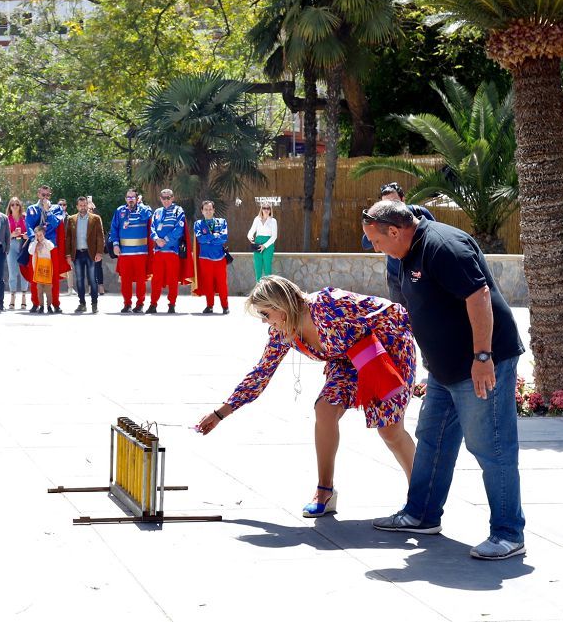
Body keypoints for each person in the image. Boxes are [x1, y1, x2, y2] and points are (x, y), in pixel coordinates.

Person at [363, 200, 527, 560]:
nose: (374, 248)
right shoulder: (406, 253)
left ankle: (508, 532)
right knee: (432, 440)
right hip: (444, 370)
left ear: (394, 231)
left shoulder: (443, 246)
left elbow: (479, 295)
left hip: (481, 364)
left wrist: (483, 357)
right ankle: (421, 514)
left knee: (492, 447)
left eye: (375, 241)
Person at [196, 276, 418, 518]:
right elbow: (261, 374)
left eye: (265, 314)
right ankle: (325, 491)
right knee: (325, 408)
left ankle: (420, 498)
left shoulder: (329, 304)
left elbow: (395, 311)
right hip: (345, 361)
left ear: (280, 307)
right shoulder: (282, 332)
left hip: (385, 352)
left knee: (389, 430)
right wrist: (220, 414)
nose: (264, 322)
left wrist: (418, 363)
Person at [362, 182, 434, 306]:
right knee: (399, 316)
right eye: (386, 204)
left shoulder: (419, 213)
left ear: (403, 200)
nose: (391, 207)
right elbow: (365, 243)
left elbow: (434, 237)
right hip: (395, 277)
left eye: (394, 201)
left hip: (419, 275)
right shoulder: (379, 223)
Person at [109, 188, 154, 312]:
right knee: (125, 280)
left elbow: (148, 216)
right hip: (124, 252)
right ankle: (127, 303)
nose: (130, 200)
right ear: (125, 199)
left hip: (141, 252)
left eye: (132, 197)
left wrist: (140, 205)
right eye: (128, 197)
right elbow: (114, 229)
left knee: (141, 280)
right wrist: (115, 245)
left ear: (137, 198)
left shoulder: (144, 210)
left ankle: (140, 304)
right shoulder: (120, 211)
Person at [24, 185, 68, 312]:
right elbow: (29, 226)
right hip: (37, 246)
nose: (45, 198)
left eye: (48, 195)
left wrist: (48, 211)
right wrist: (35, 240)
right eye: (43, 195)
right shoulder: (32, 209)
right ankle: (36, 303)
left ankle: (54, 303)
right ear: (38, 194)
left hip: (50, 246)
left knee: (53, 275)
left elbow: (56, 224)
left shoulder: (56, 208)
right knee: (34, 275)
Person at [64, 195, 105, 314]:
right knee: (80, 280)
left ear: (88, 205)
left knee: (92, 279)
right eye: (80, 205)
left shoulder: (95, 218)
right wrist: (68, 254)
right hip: (77, 254)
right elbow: (68, 238)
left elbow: (100, 237)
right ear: (77, 206)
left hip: (91, 253)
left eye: (85, 205)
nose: (83, 207)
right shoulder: (71, 219)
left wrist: (99, 252)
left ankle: (94, 304)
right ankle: (82, 303)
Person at [148, 188, 187, 314]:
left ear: (173, 198)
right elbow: (152, 228)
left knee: (172, 279)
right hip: (158, 252)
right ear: (160, 198)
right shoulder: (157, 212)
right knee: (156, 280)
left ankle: (172, 304)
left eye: (168, 197)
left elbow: (179, 229)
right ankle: (153, 304)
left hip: (172, 251)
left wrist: (164, 239)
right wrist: (156, 238)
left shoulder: (178, 211)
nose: (166, 200)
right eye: (163, 198)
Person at [193, 200, 230, 314]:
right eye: (206, 209)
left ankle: (225, 306)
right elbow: (200, 239)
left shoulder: (222, 222)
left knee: (222, 283)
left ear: (214, 210)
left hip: (220, 258)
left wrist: (208, 239)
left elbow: (224, 238)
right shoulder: (198, 224)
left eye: (210, 209)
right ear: (202, 211)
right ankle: (209, 306)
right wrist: (214, 236)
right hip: (205, 258)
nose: (208, 212)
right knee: (208, 283)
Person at [5, 196, 29, 310]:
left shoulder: (25, 217)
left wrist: (26, 235)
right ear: (9, 206)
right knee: (12, 272)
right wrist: (11, 235)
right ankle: (12, 297)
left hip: (23, 245)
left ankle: (24, 296)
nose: (14, 206)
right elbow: (3, 236)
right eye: (12, 204)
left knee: (24, 271)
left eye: (17, 204)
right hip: (12, 244)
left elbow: (31, 232)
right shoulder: (6, 219)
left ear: (20, 206)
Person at [247, 203, 278, 281]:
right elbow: (251, 231)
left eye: (268, 208)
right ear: (261, 209)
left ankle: (268, 291)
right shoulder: (257, 219)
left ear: (270, 210)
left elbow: (274, 236)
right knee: (258, 268)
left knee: (267, 268)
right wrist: (250, 237)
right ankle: (259, 290)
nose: (266, 210)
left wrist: (264, 246)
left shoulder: (273, 221)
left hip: (268, 246)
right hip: (257, 244)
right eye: (264, 208)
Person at [28, 225, 55, 313]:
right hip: (38, 269)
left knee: (48, 290)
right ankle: (41, 306)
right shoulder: (34, 244)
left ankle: (49, 305)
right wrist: (35, 241)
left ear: (44, 234)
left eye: (41, 235)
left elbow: (51, 247)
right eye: (37, 235)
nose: (39, 237)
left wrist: (43, 241)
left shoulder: (47, 242)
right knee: (39, 290)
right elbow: (30, 251)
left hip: (47, 268)